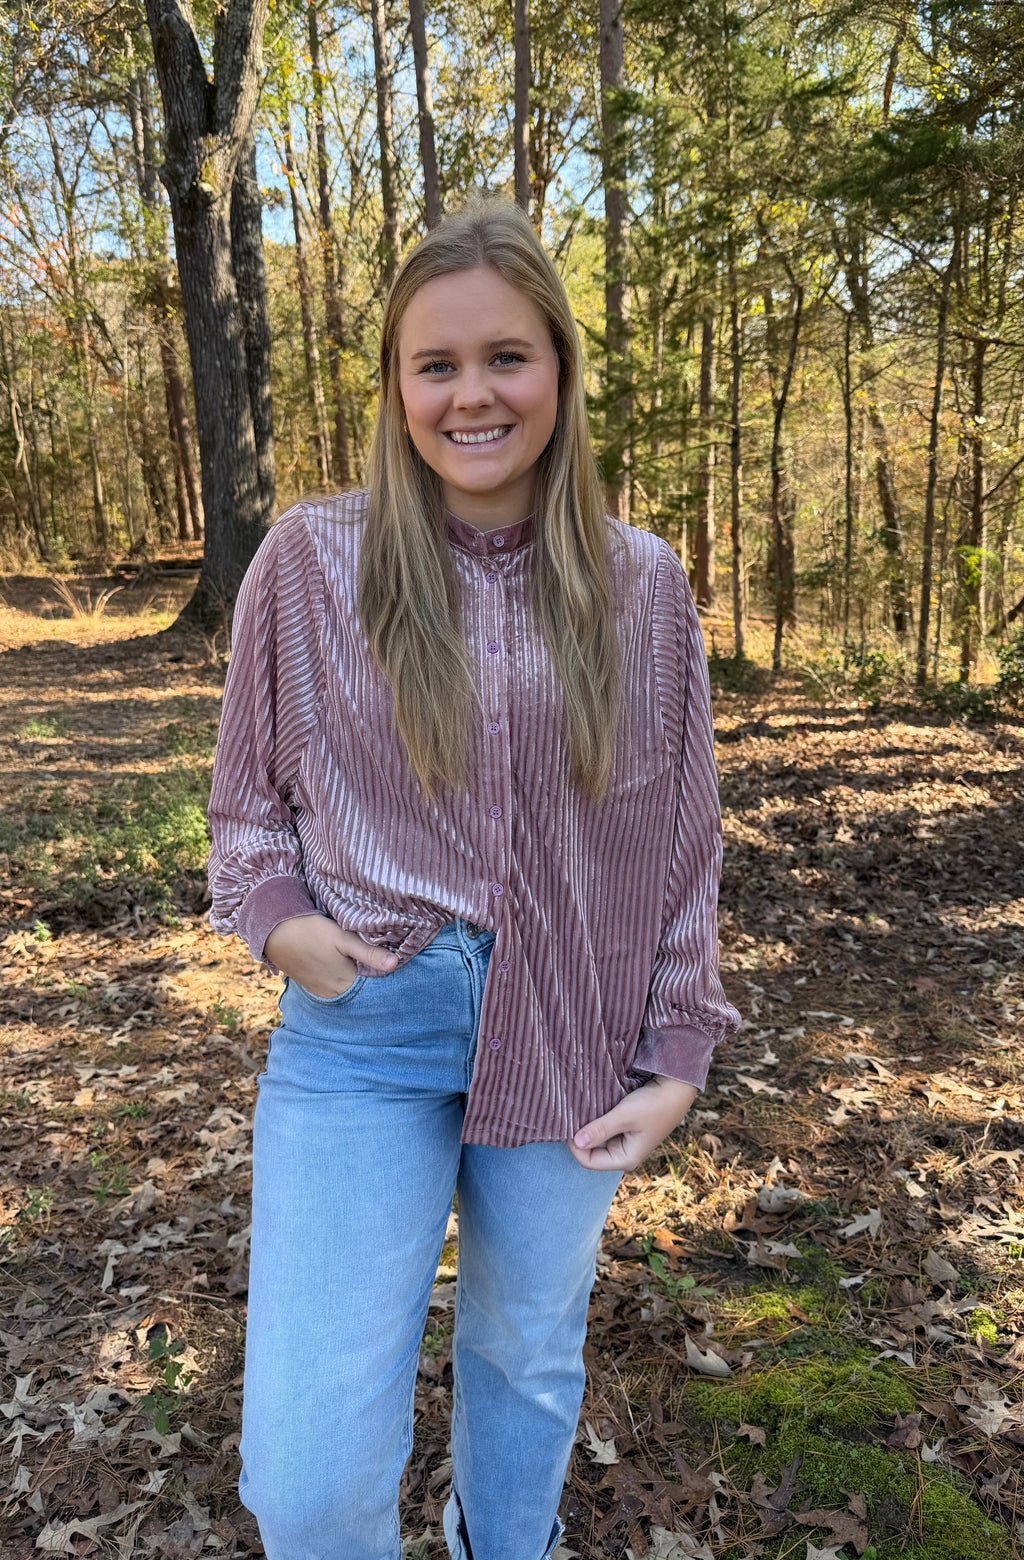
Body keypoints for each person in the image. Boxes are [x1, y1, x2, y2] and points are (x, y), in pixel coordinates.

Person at [206, 195, 740, 1560]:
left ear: (557, 367)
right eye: (435, 364)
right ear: (396, 387)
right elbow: (245, 812)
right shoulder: (311, 564)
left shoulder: (640, 584)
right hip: (365, 1035)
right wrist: (284, 932)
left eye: (506, 356)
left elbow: (679, 840)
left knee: (524, 1360)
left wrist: (678, 1048)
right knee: (311, 1486)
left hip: (573, 1027)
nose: (472, 394)